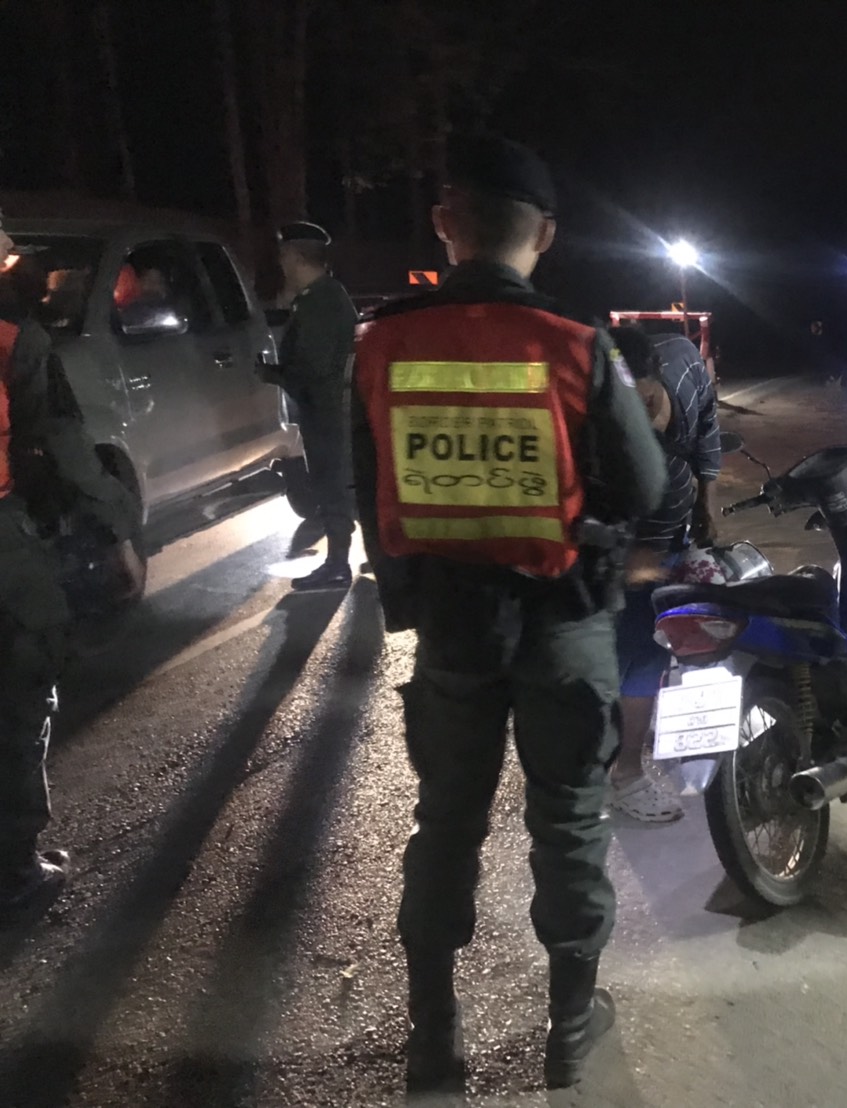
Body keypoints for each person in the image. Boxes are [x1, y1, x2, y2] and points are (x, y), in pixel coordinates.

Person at [351, 135, 665, 1093]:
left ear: (445, 224)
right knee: (567, 821)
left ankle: (433, 1035)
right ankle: (568, 1028)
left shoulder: (384, 341)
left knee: (446, 820)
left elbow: (365, 488)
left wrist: (407, 595)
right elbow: (646, 486)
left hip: (452, 625)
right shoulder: (574, 342)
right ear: (548, 235)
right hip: (564, 623)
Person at [0, 210, 143, 919]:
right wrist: (117, 530)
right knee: (21, 689)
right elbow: (62, 445)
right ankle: (13, 868)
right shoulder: (15, 339)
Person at [606, 324, 722, 823]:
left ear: (657, 375)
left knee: (649, 650)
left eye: (647, 401)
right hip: (627, 547)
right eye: (625, 411)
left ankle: (624, 752)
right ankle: (625, 773)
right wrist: (635, 561)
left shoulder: (683, 361)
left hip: (668, 539)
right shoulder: (609, 436)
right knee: (633, 653)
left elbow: (708, 425)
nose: (643, 418)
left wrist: (708, 500)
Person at [275, 220, 359, 589]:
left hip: (327, 414)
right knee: (339, 489)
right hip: (331, 411)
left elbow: (314, 370)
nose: (281, 265)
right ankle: (346, 562)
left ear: (295, 257)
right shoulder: (324, 295)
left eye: (284, 257)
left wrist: (274, 374)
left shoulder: (319, 302)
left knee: (333, 489)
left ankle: (338, 566)